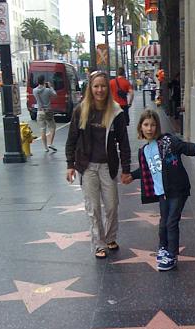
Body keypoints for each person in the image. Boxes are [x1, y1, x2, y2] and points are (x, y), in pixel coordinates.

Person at [124, 109, 195, 271]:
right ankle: (163, 247)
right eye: (146, 125)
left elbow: (185, 146)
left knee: (171, 221)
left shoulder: (168, 141)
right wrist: (132, 176)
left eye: (153, 125)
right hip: (163, 192)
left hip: (178, 189)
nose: (149, 128)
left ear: (158, 126)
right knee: (163, 222)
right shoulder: (145, 151)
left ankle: (172, 255)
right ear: (140, 127)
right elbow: (146, 170)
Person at [65, 70, 131, 259]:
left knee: (111, 206)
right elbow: (71, 139)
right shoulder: (81, 110)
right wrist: (70, 164)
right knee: (93, 208)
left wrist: (126, 169)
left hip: (107, 166)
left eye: (103, 86)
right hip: (87, 167)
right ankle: (99, 244)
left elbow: (123, 143)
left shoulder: (116, 111)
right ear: (90, 88)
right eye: (96, 86)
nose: (99, 90)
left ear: (107, 88)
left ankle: (110, 237)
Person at [33, 75, 57, 152]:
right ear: (44, 81)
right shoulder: (48, 90)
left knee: (42, 129)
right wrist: (50, 87)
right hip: (48, 110)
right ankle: (50, 143)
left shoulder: (34, 90)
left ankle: (45, 147)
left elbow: (38, 89)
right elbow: (55, 95)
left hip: (40, 111)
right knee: (52, 127)